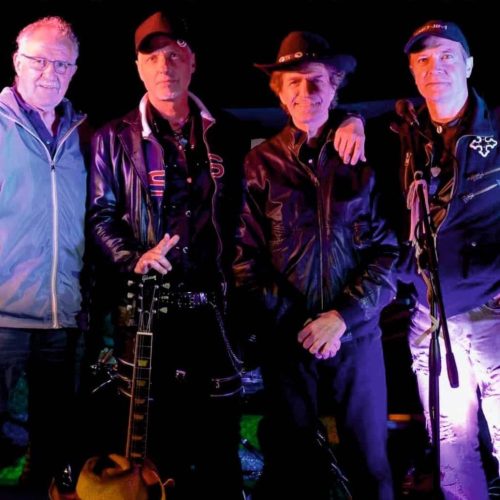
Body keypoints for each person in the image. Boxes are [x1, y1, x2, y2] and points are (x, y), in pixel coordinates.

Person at [232, 30, 398, 500]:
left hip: (357, 337)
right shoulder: (258, 164)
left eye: (318, 80)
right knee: (293, 467)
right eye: (294, 82)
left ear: (335, 87)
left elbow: (389, 254)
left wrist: (341, 318)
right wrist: (304, 326)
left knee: (371, 466)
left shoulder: (365, 160)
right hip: (289, 341)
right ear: (280, 93)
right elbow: (244, 262)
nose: (307, 91)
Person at [394, 20, 500, 499]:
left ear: (469, 65)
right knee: (451, 450)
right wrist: (349, 120)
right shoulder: (401, 132)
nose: (434, 66)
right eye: (422, 59)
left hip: (493, 312)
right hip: (432, 319)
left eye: (446, 56)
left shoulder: (496, 128)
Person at [0, 16, 87, 491]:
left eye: (62, 64)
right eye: (38, 61)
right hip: (2, 318)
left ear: (74, 70)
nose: (50, 72)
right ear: (17, 62)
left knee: (49, 446)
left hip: (60, 319)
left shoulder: (83, 135)